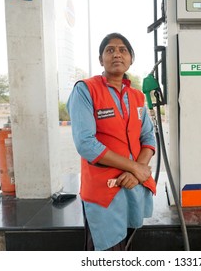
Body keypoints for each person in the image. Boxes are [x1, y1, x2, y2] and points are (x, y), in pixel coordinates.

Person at [67, 32, 156, 251]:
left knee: (128, 245)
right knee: (107, 251)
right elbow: (85, 144)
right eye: (110, 50)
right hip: (104, 192)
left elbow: (148, 137)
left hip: (133, 186)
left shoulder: (136, 96)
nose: (117, 54)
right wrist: (136, 168)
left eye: (123, 50)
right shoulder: (85, 90)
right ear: (101, 60)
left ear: (131, 59)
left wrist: (137, 172)